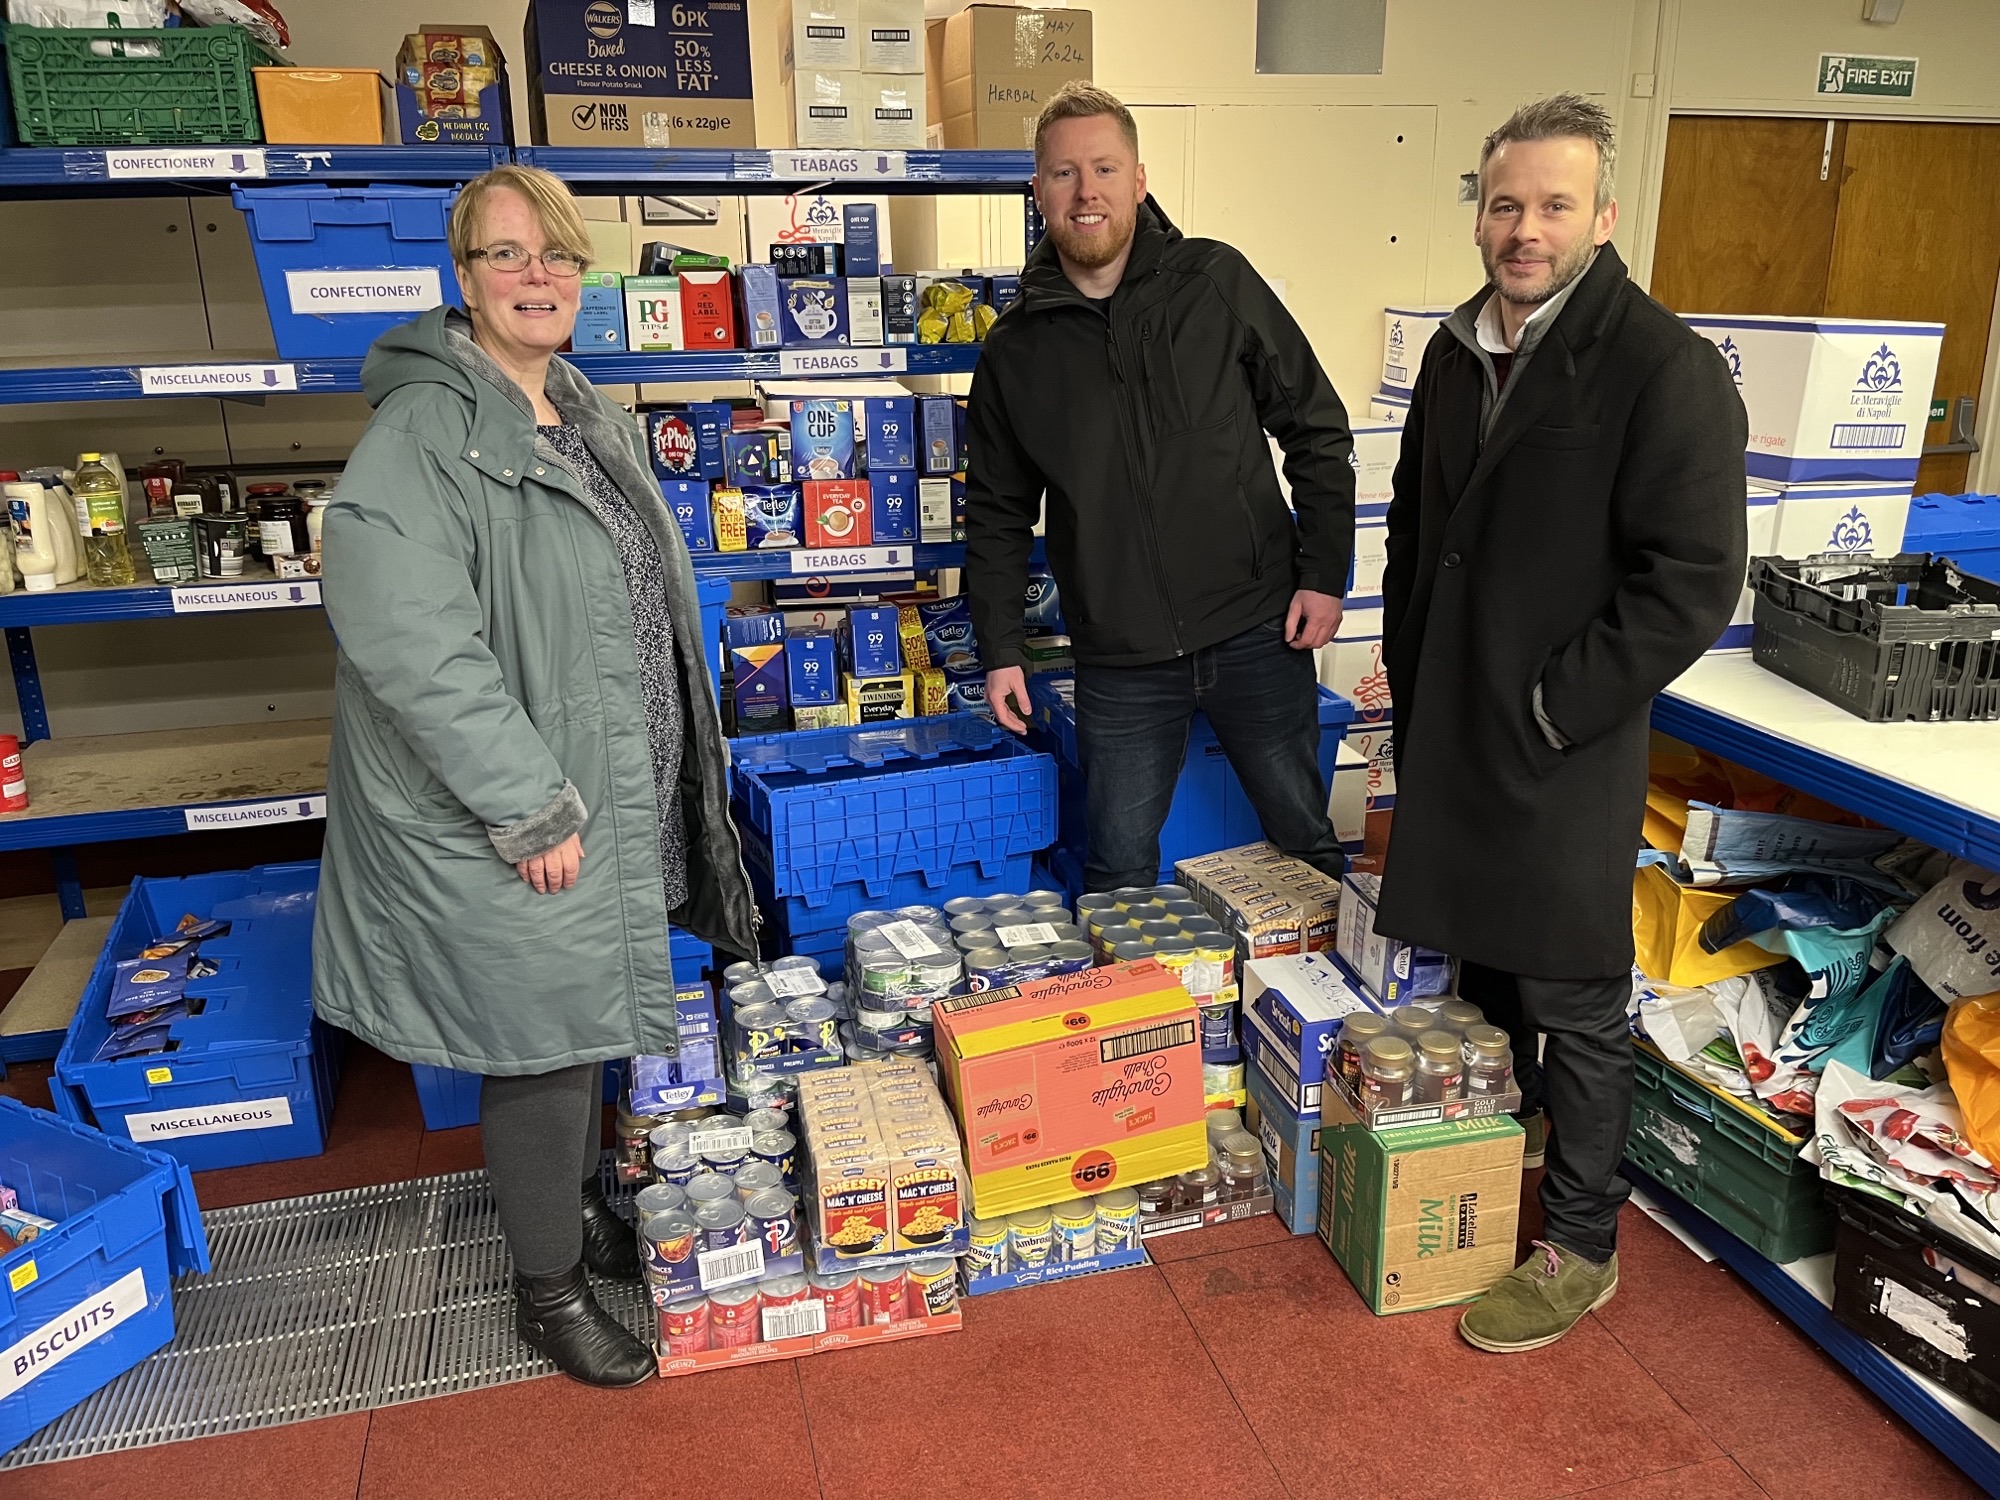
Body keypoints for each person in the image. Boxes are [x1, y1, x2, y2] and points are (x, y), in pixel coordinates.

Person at [312, 164, 758, 1387]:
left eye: (555, 254)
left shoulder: (573, 402)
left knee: (583, 1013)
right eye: (506, 256)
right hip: (525, 808)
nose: (536, 276)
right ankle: (545, 1291)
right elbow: (411, 637)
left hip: (607, 782)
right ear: (462, 279)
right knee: (540, 1046)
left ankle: (576, 1213)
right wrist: (527, 802)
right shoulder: (425, 431)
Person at [1376, 95, 1747, 1353]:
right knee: (1479, 969)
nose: (1520, 230)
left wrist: (1555, 704)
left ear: (1601, 215)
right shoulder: (1450, 351)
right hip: (1449, 719)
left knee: (1573, 995)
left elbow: (1690, 577)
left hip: (1556, 741)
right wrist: (1407, 668)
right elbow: (1421, 532)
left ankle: (1581, 1243)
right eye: (1501, 205)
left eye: (1548, 206)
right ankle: (1497, 1157)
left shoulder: (1659, 365)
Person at [963, 82, 1356, 893]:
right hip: (1122, 659)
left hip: (1257, 628)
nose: (1087, 191)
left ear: (1139, 178)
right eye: (1064, 173)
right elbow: (997, 513)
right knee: (1117, 872)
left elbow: (1315, 426)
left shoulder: (1214, 282)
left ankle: (1319, 1014)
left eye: (1104, 167)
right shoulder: (1016, 349)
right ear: (1038, 191)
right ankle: (1136, 1020)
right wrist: (1001, 649)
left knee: (1306, 845)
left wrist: (1324, 571)